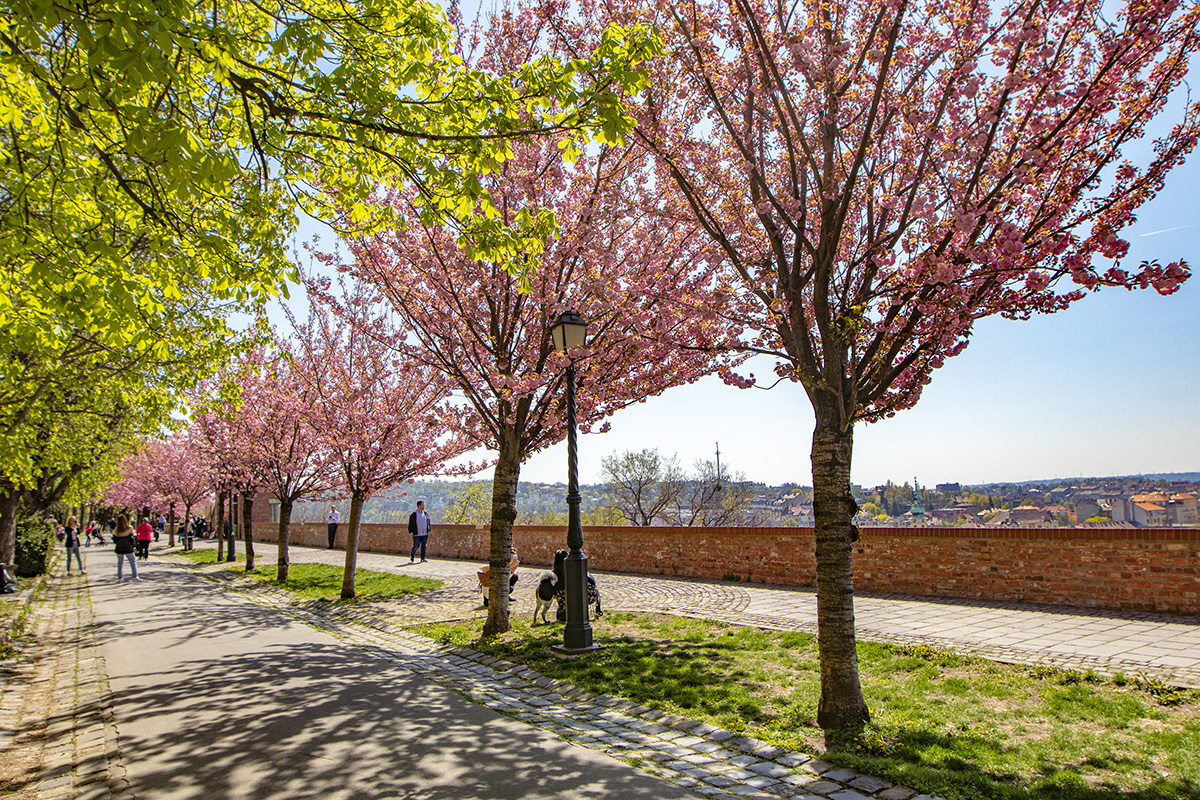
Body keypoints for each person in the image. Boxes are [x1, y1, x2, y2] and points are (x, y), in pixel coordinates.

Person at [112, 515, 140, 582]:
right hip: (128, 547)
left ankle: (120, 578)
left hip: (119, 547)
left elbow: (115, 537)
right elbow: (132, 536)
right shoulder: (129, 528)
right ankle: (135, 577)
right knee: (132, 561)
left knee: (120, 563)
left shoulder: (116, 529)